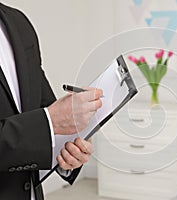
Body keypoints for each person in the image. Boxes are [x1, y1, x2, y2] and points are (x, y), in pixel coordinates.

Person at [0, 2, 102, 200]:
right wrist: (51, 122)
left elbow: (42, 108)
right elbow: (46, 120)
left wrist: (68, 146)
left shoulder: (18, 22)